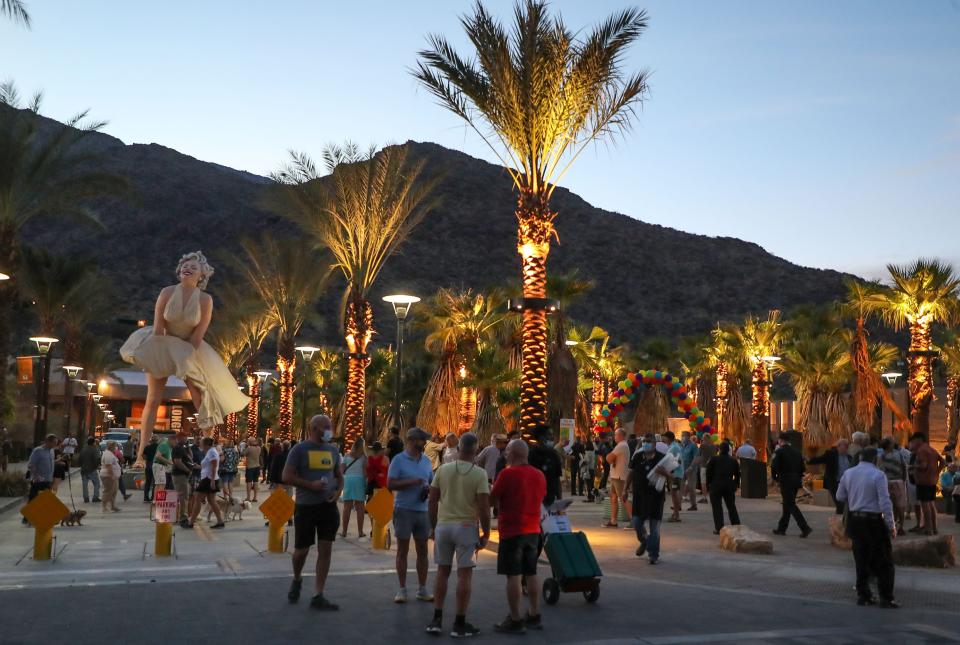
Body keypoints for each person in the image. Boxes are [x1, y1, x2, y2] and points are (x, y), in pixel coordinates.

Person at [119, 251, 249, 466]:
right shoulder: (167, 292)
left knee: (200, 393)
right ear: (179, 270)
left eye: (193, 267)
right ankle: (141, 454)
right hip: (162, 343)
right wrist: (160, 354)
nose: (187, 269)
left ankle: (208, 446)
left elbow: (198, 336)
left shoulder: (206, 300)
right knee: (152, 398)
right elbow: (159, 328)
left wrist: (184, 360)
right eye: (184, 266)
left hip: (190, 348)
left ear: (201, 275)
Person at [425, 432, 490, 638]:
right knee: (464, 574)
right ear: (476, 451)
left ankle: (436, 619)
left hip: (444, 526)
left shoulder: (443, 470)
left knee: (442, 571)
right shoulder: (479, 474)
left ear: (459, 449)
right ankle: (459, 623)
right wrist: (485, 533)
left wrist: (433, 526)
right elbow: (484, 507)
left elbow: (432, 500)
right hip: (466, 528)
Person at [283, 414, 343, 610]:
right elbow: (287, 476)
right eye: (326, 426)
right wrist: (310, 485)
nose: (329, 430)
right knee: (301, 551)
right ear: (314, 428)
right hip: (306, 507)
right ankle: (297, 578)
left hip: (327, 507)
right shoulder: (299, 450)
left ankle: (318, 593)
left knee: (325, 549)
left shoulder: (333, 450)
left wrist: (337, 492)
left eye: (330, 426)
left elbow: (339, 475)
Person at [490, 439, 546, 634]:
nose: (505, 454)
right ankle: (534, 613)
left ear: (512, 454)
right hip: (533, 531)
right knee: (531, 572)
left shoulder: (507, 474)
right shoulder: (539, 475)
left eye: (507, 452)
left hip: (512, 531)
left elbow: (492, 498)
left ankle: (515, 619)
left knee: (513, 575)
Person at [835, 447, 898, 608]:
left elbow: (839, 496)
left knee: (860, 558)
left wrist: (856, 496)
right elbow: (885, 501)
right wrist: (891, 525)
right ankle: (886, 597)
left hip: (856, 520)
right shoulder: (878, 475)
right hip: (873, 521)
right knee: (884, 560)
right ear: (875, 459)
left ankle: (864, 595)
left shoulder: (849, 473)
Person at [387, 427, 435, 604]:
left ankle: (422, 588)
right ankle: (402, 589)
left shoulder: (426, 461)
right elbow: (390, 484)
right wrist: (412, 482)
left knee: (423, 550)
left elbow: (430, 481)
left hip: (422, 510)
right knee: (403, 550)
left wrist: (429, 489)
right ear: (413, 441)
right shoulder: (398, 460)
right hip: (404, 510)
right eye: (423, 440)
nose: (425, 443)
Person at [622, 433, 669, 563]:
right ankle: (645, 541)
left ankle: (653, 554)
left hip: (656, 498)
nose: (646, 444)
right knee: (637, 522)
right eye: (644, 441)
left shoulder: (662, 458)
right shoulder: (637, 456)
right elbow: (630, 473)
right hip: (639, 497)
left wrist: (664, 473)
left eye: (649, 441)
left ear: (655, 444)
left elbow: (672, 475)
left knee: (654, 528)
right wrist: (625, 489)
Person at [771, 434, 812, 537]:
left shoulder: (779, 452)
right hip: (796, 480)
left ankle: (804, 527)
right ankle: (782, 528)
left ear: (780, 441)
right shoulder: (797, 452)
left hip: (785, 480)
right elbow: (803, 468)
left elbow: (774, 466)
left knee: (790, 504)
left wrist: (775, 478)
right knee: (787, 503)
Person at [186, 437, 224, 529]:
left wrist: (212, 481)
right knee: (211, 500)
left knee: (197, 498)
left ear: (206, 445)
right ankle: (220, 521)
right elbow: (209, 465)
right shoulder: (210, 452)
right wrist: (199, 466)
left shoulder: (211, 452)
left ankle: (191, 522)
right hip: (209, 478)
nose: (200, 444)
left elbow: (214, 466)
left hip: (208, 478)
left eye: (202, 443)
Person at [909, 432, 944, 536]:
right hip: (932, 480)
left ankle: (928, 529)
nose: (912, 444)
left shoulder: (921, 451)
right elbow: (942, 461)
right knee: (931, 504)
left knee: (925, 505)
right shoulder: (932, 449)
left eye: (913, 441)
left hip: (923, 481)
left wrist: (912, 467)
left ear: (918, 440)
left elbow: (923, 466)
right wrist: (936, 472)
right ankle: (934, 528)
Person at [808, 438, 853, 514]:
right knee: (838, 501)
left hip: (846, 483)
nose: (846, 448)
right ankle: (841, 516)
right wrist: (808, 460)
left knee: (844, 502)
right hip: (834, 481)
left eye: (847, 446)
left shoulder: (849, 457)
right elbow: (820, 459)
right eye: (845, 446)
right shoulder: (831, 454)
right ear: (838, 446)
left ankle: (841, 516)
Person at [706, 441, 741, 534]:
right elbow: (737, 474)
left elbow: (708, 472)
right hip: (729, 484)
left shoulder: (714, 459)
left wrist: (708, 484)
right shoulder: (733, 460)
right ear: (729, 450)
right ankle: (736, 524)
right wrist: (736, 484)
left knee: (717, 507)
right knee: (731, 506)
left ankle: (719, 527)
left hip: (716, 484)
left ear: (719, 449)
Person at [23, 435, 57, 524]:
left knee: (46, 500)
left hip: (48, 480)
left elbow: (50, 463)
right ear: (48, 441)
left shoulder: (52, 451)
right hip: (38, 480)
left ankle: (41, 517)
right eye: (54, 443)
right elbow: (31, 464)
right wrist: (37, 476)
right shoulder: (38, 451)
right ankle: (27, 518)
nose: (55, 445)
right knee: (34, 499)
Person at [528, 425, 563, 507]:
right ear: (541, 437)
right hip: (535, 500)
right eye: (549, 435)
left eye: (552, 434)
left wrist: (560, 501)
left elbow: (557, 479)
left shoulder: (554, 454)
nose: (552, 437)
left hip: (551, 499)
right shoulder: (532, 454)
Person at [878, 437, 908, 534]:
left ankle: (901, 527)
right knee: (890, 505)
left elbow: (904, 466)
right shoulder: (881, 455)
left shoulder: (898, 453)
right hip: (888, 482)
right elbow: (880, 469)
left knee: (900, 506)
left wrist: (903, 479)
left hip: (897, 481)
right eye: (891, 443)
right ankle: (892, 525)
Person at [339, 438, 367, 538]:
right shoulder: (364, 457)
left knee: (347, 507)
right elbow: (365, 472)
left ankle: (344, 531)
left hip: (348, 480)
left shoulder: (346, 455)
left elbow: (341, 471)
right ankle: (360, 531)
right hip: (359, 481)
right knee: (360, 508)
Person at [604, 428, 631, 527]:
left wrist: (608, 456)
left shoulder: (621, 445)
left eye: (616, 435)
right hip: (615, 475)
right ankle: (613, 520)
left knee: (623, 498)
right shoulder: (620, 445)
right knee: (614, 498)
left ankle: (633, 520)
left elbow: (609, 458)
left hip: (619, 476)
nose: (614, 437)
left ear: (621, 436)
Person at [171, 434, 194, 527]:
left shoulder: (183, 448)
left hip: (183, 475)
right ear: (179, 438)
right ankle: (183, 518)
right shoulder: (178, 448)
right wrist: (187, 470)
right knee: (183, 497)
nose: (186, 439)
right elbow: (177, 462)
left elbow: (190, 457)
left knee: (184, 496)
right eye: (185, 437)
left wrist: (188, 448)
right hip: (180, 475)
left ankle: (182, 516)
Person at [663, 431, 683, 522]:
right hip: (673, 473)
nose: (663, 439)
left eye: (665, 437)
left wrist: (671, 469)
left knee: (674, 494)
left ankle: (676, 515)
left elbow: (678, 461)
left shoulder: (675, 447)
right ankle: (675, 513)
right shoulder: (672, 446)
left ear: (669, 438)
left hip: (675, 474)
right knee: (673, 494)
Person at [99, 440, 122, 513]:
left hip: (113, 476)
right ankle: (104, 507)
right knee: (108, 492)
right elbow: (109, 466)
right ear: (111, 446)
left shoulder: (110, 453)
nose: (116, 448)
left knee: (113, 491)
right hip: (108, 476)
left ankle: (113, 506)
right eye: (115, 446)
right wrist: (112, 475)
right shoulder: (108, 454)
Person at [78, 437, 101, 504]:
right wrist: (97, 466)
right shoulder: (94, 449)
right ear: (93, 442)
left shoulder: (83, 449)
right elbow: (97, 459)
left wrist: (81, 465)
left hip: (84, 469)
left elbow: (79, 459)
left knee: (85, 485)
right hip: (92, 469)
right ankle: (95, 497)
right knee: (96, 484)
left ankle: (86, 498)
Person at [680, 431, 699, 511]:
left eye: (684, 436)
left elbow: (696, 457)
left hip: (691, 470)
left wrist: (691, 467)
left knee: (691, 488)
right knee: (680, 487)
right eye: (682, 436)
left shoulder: (693, 446)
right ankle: (678, 505)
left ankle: (693, 505)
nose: (682, 437)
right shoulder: (682, 446)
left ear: (688, 436)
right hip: (682, 469)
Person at [697, 433, 717, 503]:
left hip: (704, 466)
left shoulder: (702, 446)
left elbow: (698, 455)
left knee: (703, 482)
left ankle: (704, 498)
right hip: (713, 466)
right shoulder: (715, 446)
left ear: (704, 438)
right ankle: (713, 497)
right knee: (712, 482)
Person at [153, 435, 174, 499]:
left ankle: (156, 501)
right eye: (175, 441)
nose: (176, 443)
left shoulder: (169, 447)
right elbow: (158, 456)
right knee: (162, 484)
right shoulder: (164, 445)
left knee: (159, 484)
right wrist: (169, 462)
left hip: (160, 466)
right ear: (171, 439)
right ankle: (160, 501)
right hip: (159, 465)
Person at [242, 437, 262, 502]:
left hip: (250, 467)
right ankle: (255, 497)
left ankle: (248, 497)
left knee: (249, 482)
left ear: (250, 442)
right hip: (257, 466)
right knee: (256, 482)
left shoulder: (249, 448)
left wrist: (246, 446)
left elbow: (242, 454)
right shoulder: (259, 448)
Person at [142, 436, 159, 503]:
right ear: (157, 440)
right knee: (155, 482)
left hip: (148, 465)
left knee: (148, 482)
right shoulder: (158, 447)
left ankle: (146, 498)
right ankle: (153, 497)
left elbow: (143, 455)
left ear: (151, 440)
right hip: (156, 465)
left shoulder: (147, 447)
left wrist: (147, 459)